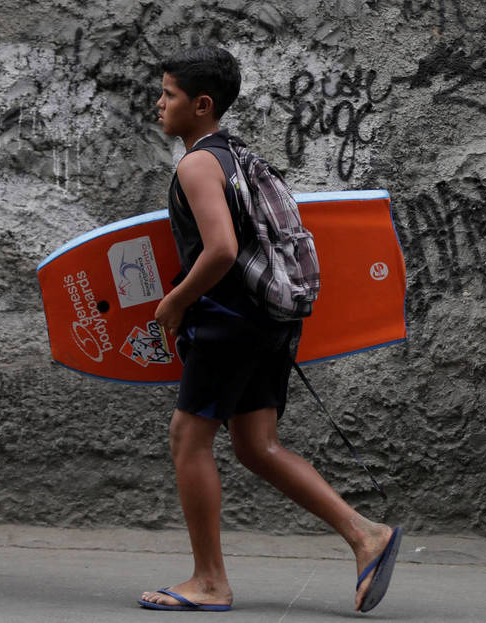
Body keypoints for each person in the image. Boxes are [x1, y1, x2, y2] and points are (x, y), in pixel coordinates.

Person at [138, 46, 401, 613]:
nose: (159, 104)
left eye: (170, 95)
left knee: (189, 440)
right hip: (268, 322)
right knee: (257, 446)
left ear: (202, 105)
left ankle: (209, 581)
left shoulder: (197, 164)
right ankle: (366, 535)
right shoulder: (239, 156)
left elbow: (222, 250)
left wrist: (173, 304)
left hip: (227, 323)